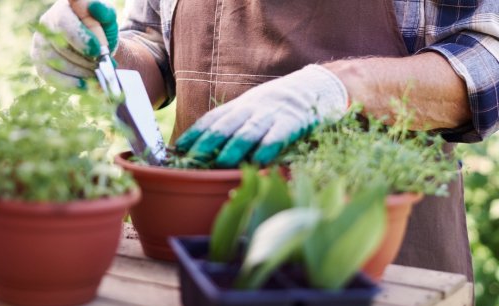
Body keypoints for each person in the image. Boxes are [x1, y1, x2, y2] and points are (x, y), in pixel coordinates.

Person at [32, 0, 499, 289]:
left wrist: (344, 86)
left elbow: (488, 58)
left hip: (369, 266)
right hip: (194, 261)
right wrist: (100, 58)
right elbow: (155, 46)